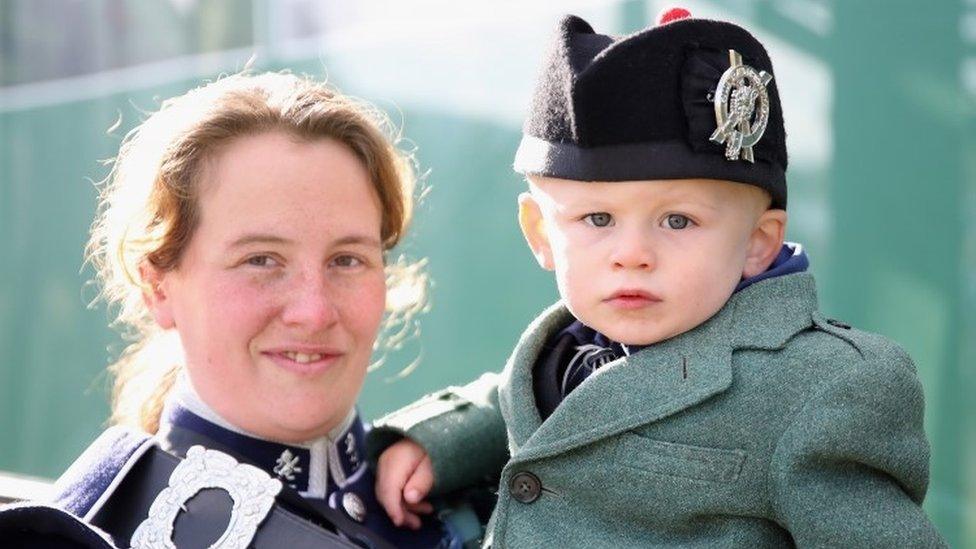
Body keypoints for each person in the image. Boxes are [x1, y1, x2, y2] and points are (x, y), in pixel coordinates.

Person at [368, 9, 947, 548]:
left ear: (757, 243)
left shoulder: (824, 386)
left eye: (678, 220)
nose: (633, 254)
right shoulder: (570, 341)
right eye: (598, 219)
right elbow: (533, 407)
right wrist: (438, 441)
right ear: (540, 233)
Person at [0, 72, 467, 548]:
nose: (314, 311)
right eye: (260, 260)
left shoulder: (477, 495)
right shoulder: (87, 534)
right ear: (157, 286)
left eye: (347, 260)